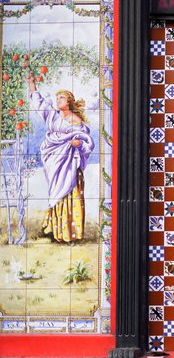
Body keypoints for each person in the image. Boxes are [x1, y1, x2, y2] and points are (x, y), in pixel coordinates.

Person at [27, 72, 95, 243]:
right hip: (54, 163)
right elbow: (39, 104)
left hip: (70, 164)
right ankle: (54, 230)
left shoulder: (76, 120)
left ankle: (70, 233)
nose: (57, 101)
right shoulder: (53, 116)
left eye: (61, 98)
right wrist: (32, 84)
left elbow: (87, 140)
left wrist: (78, 144)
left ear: (69, 102)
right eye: (56, 98)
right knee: (56, 195)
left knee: (70, 193)